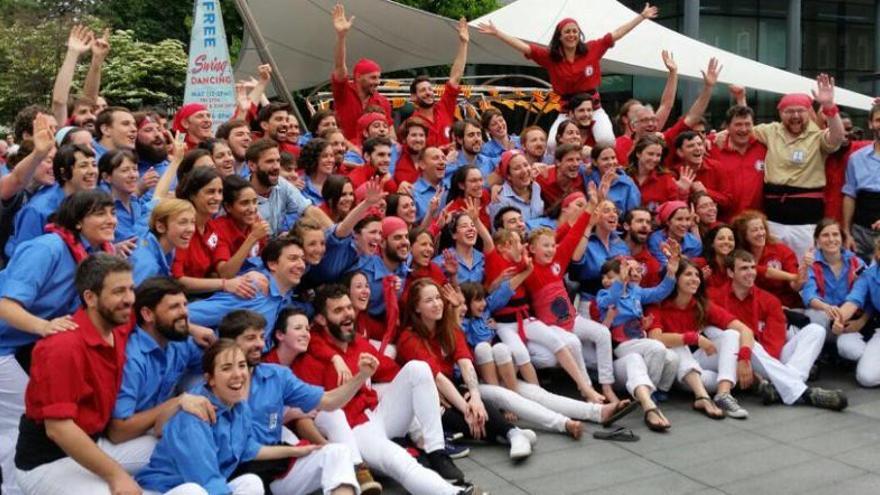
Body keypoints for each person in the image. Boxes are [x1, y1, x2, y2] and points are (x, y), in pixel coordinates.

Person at [299, 284, 478, 494]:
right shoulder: (310, 353)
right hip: (354, 430)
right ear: (320, 320)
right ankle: (452, 493)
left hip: (376, 414)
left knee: (418, 369)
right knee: (400, 461)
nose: (348, 314)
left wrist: (427, 390)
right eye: (338, 311)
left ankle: (436, 451)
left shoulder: (357, 341)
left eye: (348, 307)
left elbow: (392, 371)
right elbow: (313, 413)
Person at [0, 190, 117, 494]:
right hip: (5, 346)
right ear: (78, 221)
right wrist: (44, 326)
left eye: (112, 213)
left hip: (23, 347)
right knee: (18, 425)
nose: (110, 220)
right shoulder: (47, 248)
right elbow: (5, 305)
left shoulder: (96, 252)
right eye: (100, 214)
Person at [135, 339, 356, 495]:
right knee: (196, 492)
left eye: (241, 366)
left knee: (250, 483)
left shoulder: (239, 407)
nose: (238, 374)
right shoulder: (194, 416)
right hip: (167, 489)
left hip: (206, 486)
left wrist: (295, 450)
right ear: (210, 379)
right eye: (227, 368)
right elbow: (207, 479)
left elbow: (248, 448)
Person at [14, 255, 155, 495]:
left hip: (94, 442)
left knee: (167, 443)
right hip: (47, 462)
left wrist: (192, 328)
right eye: (119, 291)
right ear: (90, 297)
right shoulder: (62, 347)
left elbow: (155, 313)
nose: (129, 299)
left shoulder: (117, 321)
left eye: (131, 289)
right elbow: (58, 429)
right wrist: (116, 476)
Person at [217, 309, 379, 495]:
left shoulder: (277, 374)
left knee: (338, 452)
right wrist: (295, 450)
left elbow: (329, 401)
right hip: (237, 477)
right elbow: (242, 451)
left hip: (274, 470)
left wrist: (362, 376)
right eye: (250, 338)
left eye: (261, 337)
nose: (260, 344)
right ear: (228, 343)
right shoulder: (213, 386)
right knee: (251, 483)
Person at [477, 4, 659, 147]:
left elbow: (616, 34)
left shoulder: (592, 49)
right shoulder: (551, 57)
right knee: (552, 144)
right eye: (567, 32)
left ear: (579, 35)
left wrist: (641, 17)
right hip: (566, 109)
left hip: (593, 107)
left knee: (607, 141)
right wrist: (498, 33)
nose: (572, 35)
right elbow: (525, 48)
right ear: (560, 37)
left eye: (575, 31)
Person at [396, 278, 535, 460]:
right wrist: (466, 409)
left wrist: (475, 398)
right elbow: (437, 377)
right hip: (424, 395)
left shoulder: (448, 328)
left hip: (449, 386)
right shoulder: (409, 338)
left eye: (438, 298)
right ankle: (511, 434)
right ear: (416, 308)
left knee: (474, 401)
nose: (437, 304)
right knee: (455, 415)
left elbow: (465, 362)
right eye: (429, 300)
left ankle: (512, 434)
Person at [710, 250, 847, 410]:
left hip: (765, 359)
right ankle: (803, 392)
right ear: (730, 272)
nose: (750, 273)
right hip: (728, 356)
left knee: (816, 330)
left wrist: (764, 367)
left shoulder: (769, 300)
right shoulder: (714, 296)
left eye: (753, 268)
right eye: (744, 268)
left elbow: (775, 341)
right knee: (739, 337)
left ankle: (781, 386)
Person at [107, 276, 214, 449]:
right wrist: (177, 402)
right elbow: (118, 432)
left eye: (185, 305)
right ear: (148, 314)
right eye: (174, 307)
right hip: (121, 442)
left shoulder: (178, 341)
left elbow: (213, 367)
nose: (184, 312)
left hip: (154, 427)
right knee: (177, 443)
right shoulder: (133, 358)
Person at [750, 76, 845, 258]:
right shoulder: (770, 131)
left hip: (806, 221)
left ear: (809, 112)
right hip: (773, 218)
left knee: (805, 268)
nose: (795, 116)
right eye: (789, 111)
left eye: (800, 111)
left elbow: (837, 136)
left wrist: (829, 107)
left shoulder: (817, 136)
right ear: (780, 114)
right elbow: (741, 131)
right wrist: (716, 137)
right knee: (774, 265)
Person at [646, 259, 749, 419]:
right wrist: (694, 338)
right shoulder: (658, 305)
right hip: (678, 371)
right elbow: (655, 337)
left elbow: (742, 329)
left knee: (732, 335)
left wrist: (744, 357)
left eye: (697, 275)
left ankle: (724, 393)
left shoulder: (701, 304)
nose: (695, 279)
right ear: (675, 279)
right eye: (688, 274)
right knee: (678, 346)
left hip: (701, 363)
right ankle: (703, 397)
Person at [596, 254, 680, 431]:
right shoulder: (604, 293)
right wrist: (619, 281)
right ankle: (650, 397)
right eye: (626, 270)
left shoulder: (635, 291)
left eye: (635, 269)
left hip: (639, 341)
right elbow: (609, 300)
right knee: (657, 348)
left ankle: (654, 391)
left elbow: (659, 292)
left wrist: (671, 273)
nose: (631, 273)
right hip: (621, 346)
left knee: (672, 358)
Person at [188, 235, 310, 342]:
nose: (301, 265)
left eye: (303, 259)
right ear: (272, 264)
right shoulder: (252, 288)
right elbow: (188, 314)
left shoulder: (285, 297)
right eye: (293, 258)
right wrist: (195, 330)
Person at [6, 143, 98, 257]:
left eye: (94, 165)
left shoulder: (94, 200)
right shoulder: (38, 210)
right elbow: (24, 258)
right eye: (83, 166)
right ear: (64, 173)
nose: (92, 171)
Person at [330, 4, 392, 141]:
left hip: (373, 156)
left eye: (378, 78)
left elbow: (390, 133)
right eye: (373, 77)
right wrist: (341, 37)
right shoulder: (343, 92)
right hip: (345, 154)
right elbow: (340, 66)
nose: (377, 82)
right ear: (358, 77)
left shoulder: (383, 102)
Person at [408, 17, 469, 147]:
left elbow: (455, 78)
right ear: (413, 96)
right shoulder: (411, 124)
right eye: (423, 90)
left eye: (430, 89)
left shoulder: (444, 107)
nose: (428, 93)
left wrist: (463, 44)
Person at [732, 210, 806, 309]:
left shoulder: (781, 250)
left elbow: (795, 285)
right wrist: (792, 276)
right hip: (755, 308)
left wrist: (800, 277)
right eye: (754, 230)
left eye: (762, 228)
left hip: (789, 307)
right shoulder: (738, 255)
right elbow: (761, 271)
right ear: (744, 235)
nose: (760, 233)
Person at [246, 139, 323, 236]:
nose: (276, 167)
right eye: (270, 161)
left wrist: (336, 234)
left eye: (278, 161)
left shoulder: (281, 183)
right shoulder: (241, 193)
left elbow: (308, 210)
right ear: (252, 166)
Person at [708, 105, 767, 220]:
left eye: (747, 124)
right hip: (723, 224)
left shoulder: (764, 147)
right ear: (727, 127)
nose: (744, 129)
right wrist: (708, 139)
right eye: (738, 124)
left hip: (756, 223)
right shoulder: (713, 148)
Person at [835, 238, 880, 387]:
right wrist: (838, 318)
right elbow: (853, 301)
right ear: (877, 254)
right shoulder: (869, 275)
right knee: (866, 378)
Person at [212, 175, 271, 279]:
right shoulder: (217, 229)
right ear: (228, 207)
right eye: (245, 203)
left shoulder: (257, 223)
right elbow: (225, 274)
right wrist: (252, 238)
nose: (252, 209)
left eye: (254, 201)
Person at [842, 103, 880, 262]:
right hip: (860, 233)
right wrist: (846, 232)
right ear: (871, 123)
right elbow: (850, 196)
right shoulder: (856, 158)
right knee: (859, 278)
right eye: (879, 120)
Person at [129, 199, 196, 286]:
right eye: (183, 223)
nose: (191, 229)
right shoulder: (148, 266)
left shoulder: (148, 226)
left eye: (193, 222)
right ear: (160, 227)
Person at [98, 148, 150, 244]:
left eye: (135, 169)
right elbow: (134, 241)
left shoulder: (136, 202)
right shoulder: (106, 211)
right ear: (106, 177)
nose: (133, 175)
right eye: (125, 170)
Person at [626, 135, 687, 214]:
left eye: (658, 155)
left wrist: (682, 193)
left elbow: (676, 211)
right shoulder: (625, 176)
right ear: (638, 153)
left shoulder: (666, 179)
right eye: (650, 154)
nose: (655, 159)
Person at [588, 144, 640, 215]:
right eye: (605, 159)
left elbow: (633, 214)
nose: (611, 162)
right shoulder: (588, 176)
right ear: (594, 162)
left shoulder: (628, 184)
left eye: (613, 158)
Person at [648, 200, 702, 266]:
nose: (684, 224)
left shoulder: (695, 243)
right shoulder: (655, 239)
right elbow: (662, 267)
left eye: (687, 219)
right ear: (668, 222)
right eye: (679, 219)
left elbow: (692, 268)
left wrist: (678, 256)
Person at [299, 138, 336, 206]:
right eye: (325, 156)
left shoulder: (337, 184)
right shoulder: (300, 186)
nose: (330, 160)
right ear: (313, 159)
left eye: (332, 156)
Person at [701, 224, 736, 290]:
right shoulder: (701, 264)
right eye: (721, 239)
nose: (726, 242)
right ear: (712, 243)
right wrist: (700, 280)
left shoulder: (737, 267)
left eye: (730, 239)